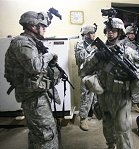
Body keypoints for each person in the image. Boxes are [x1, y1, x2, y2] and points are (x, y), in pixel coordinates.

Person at [81, 18, 139, 149]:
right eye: (108, 30)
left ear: (120, 32)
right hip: (104, 96)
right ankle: (111, 146)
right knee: (108, 127)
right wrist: (96, 57)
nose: (110, 33)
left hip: (122, 96)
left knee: (123, 129)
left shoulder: (129, 52)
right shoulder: (97, 50)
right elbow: (83, 70)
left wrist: (130, 75)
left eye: (114, 30)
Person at [4, 11, 61, 148]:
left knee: (39, 133)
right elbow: (35, 67)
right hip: (33, 98)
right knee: (45, 134)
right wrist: (49, 56)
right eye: (42, 26)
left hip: (37, 94)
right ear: (33, 26)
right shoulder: (22, 43)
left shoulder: (32, 42)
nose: (45, 28)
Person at [74, 24, 98, 131]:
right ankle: (83, 119)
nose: (94, 35)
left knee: (96, 96)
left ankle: (94, 113)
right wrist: (91, 48)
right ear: (87, 34)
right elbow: (79, 58)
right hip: (86, 74)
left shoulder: (96, 43)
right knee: (86, 97)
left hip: (96, 73)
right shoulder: (80, 44)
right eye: (92, 33)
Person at [124, 25, 139, 114]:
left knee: (137, 86)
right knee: (125, 87)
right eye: (130, 34)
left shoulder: (137, 44)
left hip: (136, 69)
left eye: (133, 34)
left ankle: (135, 105)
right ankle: (125, 105)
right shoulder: (122, 43)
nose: (133, 35)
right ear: (127, 34)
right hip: (126, 69)